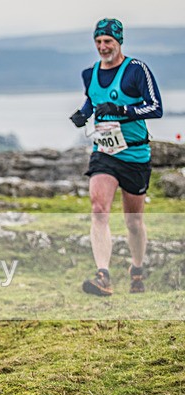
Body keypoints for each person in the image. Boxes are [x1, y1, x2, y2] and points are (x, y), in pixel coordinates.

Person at [69, 18, 163, 296]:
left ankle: (137, 269)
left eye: (107, 41)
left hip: (134, 153)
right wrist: (83, 114)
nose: (102, 47)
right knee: (98, 209)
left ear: (119, 42)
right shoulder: (90, 73)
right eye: (98, 42)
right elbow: (92, 99)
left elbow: (155, 107)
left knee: (133, 222)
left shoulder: (136, 70)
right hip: (105, 152)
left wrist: (123, 110)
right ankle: (103, 276)